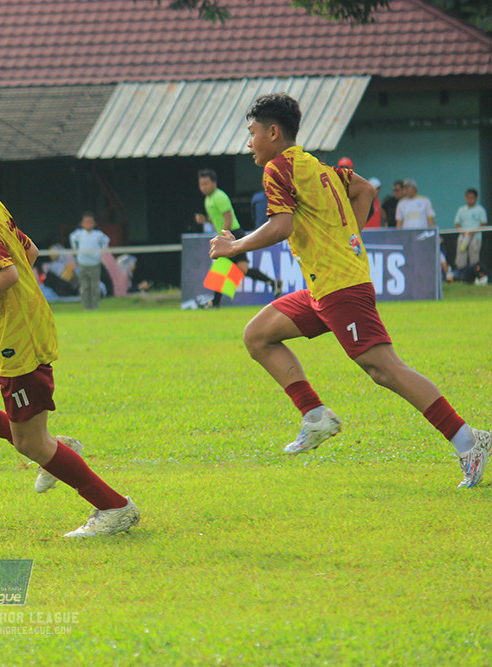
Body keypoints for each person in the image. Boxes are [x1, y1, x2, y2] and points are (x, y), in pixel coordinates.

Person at [209, 92, 490, 488]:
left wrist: (235, 246)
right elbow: (365, 191)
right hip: (326, 287)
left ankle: (468, 440)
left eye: (252, 133)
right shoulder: (319, 168)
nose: (249, 142)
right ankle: (315, 416)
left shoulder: (277, 169)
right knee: (258, 335)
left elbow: (281, 226)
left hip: (340, 287)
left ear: (273, 133)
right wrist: (347, 238)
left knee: (385, 369)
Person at [0, 112, 139, 537]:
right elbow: (29, 251)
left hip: (19, 336)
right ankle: (55, 447)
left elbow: (7, 274)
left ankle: (115, 508)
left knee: (29, 443)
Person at [196, 168, 281, 307]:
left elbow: (228, 218)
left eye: (206, 184)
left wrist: (225, 238)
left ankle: (214, 303)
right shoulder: (208, 200)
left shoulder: (219, 196)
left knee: (221, 267)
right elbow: (217, 218)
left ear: (214, 183)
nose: (203, 187)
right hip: (231, 234)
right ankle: (273, 283)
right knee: (242, 269)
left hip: (233, 234)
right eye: (201, 185)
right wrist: (205, 220)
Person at [68, 212, 109, 310]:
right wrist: (75, 249)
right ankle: (86, 307)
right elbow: (72, 238)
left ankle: (95, 307)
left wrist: (101, 251)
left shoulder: (98, 234)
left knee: (94, 286)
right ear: (82, 224)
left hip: (94, 263)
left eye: (90, 222)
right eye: (86, 222)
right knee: (84, 286)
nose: (88, 224)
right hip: (83, 263)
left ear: (94, 223)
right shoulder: (79, 234)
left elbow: (106, 240)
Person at [453, 188, 486, 272]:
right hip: (463, 237)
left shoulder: (480, 209)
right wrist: (462, 231)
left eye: (472, 198)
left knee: (474, 257)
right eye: (468, 198)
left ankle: (474, 273)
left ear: (476, 198)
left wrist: (473, 232)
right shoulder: (461, 210)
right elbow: (456, 223)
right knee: (460, 256)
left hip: (475, 237)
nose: (470, 200)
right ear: (465, 198)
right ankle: (461, 273)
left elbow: (484, 223)